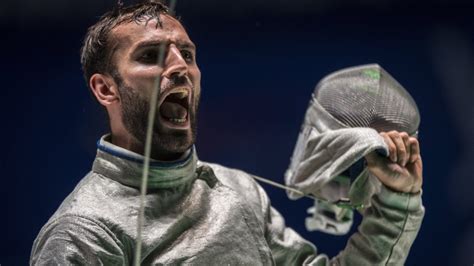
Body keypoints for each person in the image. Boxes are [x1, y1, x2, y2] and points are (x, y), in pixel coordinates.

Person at [30, 2, 424, 265]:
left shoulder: (239, 192)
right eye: (150, 56)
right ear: (105, 89)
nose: (179, 66)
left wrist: (395, 205)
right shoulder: (83, 232)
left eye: (187, 54)